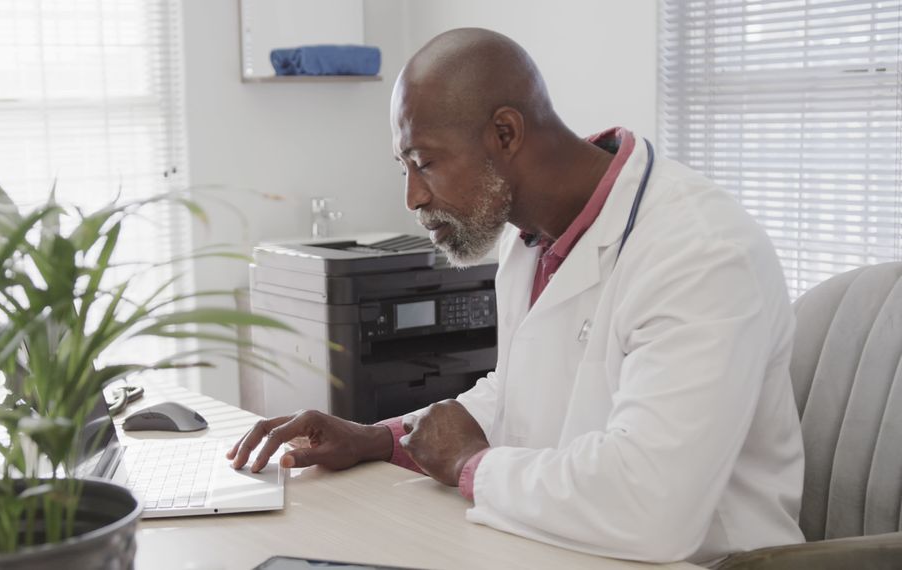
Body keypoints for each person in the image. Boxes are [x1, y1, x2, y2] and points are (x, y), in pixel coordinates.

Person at [227, 28, 805, 566]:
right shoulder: (528, 241)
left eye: (424, 162)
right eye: (404, 166)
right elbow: (518, 398)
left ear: (505, 134)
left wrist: (467, 465)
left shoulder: (699, 253)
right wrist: (382, 439)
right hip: (565, 547)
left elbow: (654, 506)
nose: (412, 196)